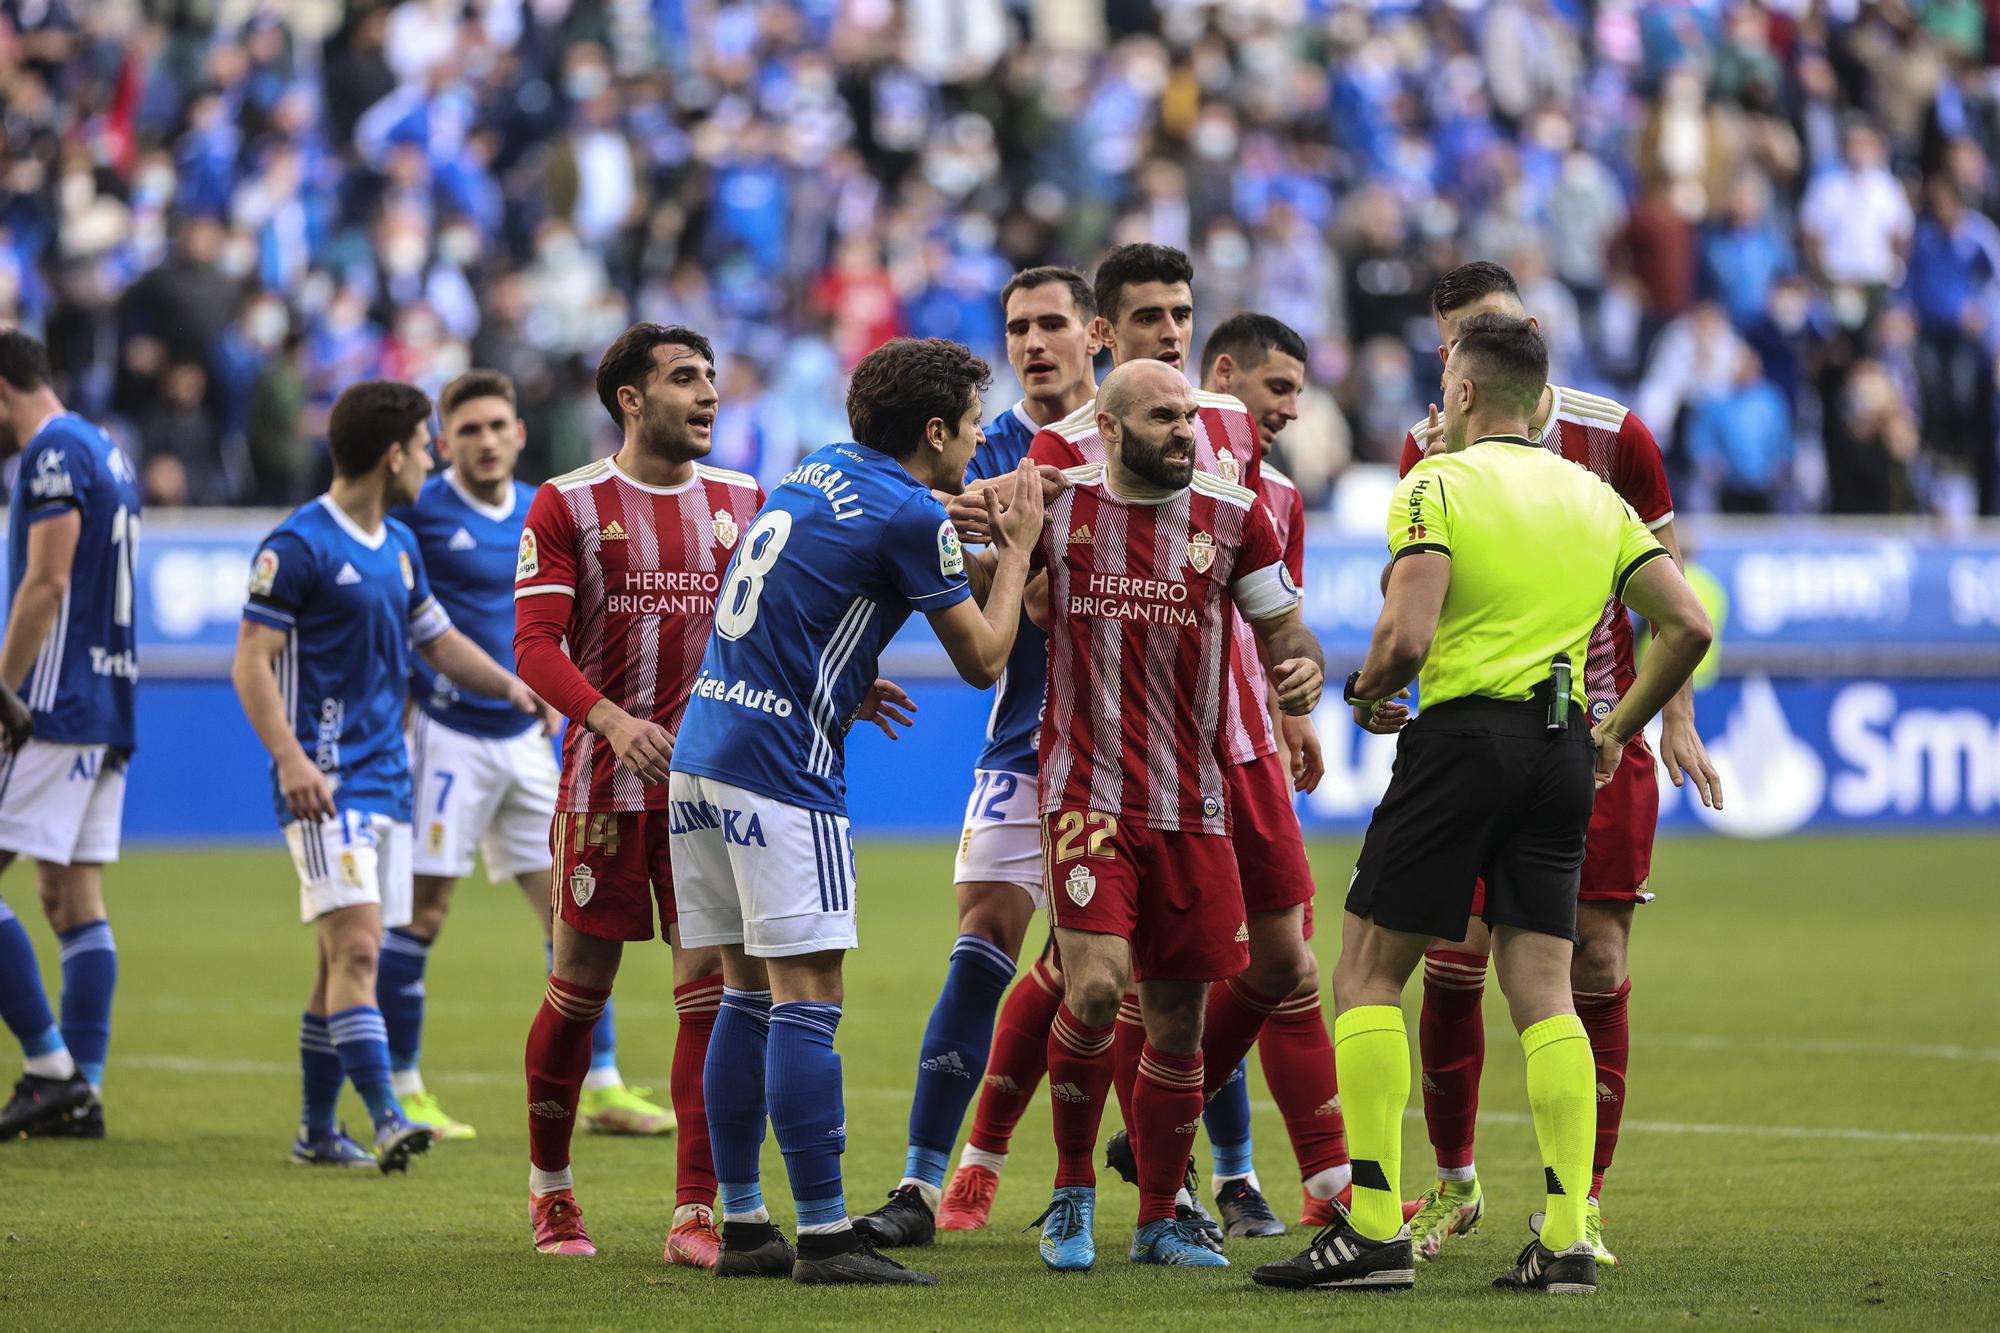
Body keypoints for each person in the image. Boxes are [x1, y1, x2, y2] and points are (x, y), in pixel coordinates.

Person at [1252, 314, 1712, 1296]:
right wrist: (1614, 728)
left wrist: (1369, 694)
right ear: (1541, 402)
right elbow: (1685, 622)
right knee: (1543, 989)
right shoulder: (1593, 497)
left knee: (1368, 971)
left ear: (1460, 393)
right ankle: (1563, 1234)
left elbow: (1407, 635)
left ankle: (1372, 1226)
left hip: (1461, 739)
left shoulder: (1435, 484)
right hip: (1559, 749)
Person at [669, 336, 1043, 1286]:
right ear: (932, 430)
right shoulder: (912, 511)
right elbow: (986, 658)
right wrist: (1025, 545)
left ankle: (747, 1223)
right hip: (781, 768)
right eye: (967, 428)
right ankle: (830, 1235)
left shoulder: (818, 468)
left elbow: (801, 582)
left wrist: (845, 673)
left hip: (703, 752)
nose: (975, 447)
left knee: (742, 991)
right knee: (809, 995)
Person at [1398, 261, 1722, 1266]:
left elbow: (1662, 595)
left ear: (1525, 330)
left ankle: (1576, 1201)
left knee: (1595, 963)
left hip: (1594, 734)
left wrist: (1667, 720)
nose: (1462, 361)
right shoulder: (1425, 443)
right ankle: (1452, 1184)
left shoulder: (1613, 431)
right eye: (1450, 342)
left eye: (1479, 334)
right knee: (1451, 963)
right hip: (1478, 730)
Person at [1023, 246, 1313, 1247]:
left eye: (1190, 415)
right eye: (1163, 417)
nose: (1187, 432)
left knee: (1181, 1024)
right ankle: (1067, 1186)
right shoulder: (1054, 510)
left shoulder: (1234, 521)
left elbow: (1284, 635)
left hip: (1195, 800)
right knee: (1097, 986)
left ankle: (1159, 1213)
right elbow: (986, 609)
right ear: (1107, 429)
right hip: (1085, 791)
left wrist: (1303, 678)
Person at [232, 379, 541, 1173]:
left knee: (338, 960)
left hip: (388, 782)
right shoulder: (298, 545)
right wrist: (292, 759)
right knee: (363, 948)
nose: (436, 457)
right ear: (395, 453)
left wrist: (508, 682)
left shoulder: (399, 548)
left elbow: (436, 640)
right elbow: (251, 664)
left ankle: (313, 1130)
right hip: (323, 782)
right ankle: (388, 1114)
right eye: (429, 443)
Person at [856, 267, 1100, 1245]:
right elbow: (955, 573)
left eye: (1051, 325)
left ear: (1094, 334)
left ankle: (1192, 1182)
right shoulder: (973, 455)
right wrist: (1003, 554)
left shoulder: (1134, 437)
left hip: (1142, 744)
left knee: (1146, 976)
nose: (1033, 343)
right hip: (1027, 732)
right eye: (1017, 328)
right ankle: (918, 1185)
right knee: (982, 943)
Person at [510, 324, 762, 1265]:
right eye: (685, 378)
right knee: (579, 993)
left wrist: (843, 684)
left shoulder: (744, 499)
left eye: (711, 376)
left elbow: (769, 631)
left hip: (713, 796)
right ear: (629, 397)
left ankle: (694, 1212)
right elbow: (535, 644)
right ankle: (552, 1191)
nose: (708, 393)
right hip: (605, 792)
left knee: (710, 998)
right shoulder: (567, 503)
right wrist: (612, 721)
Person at [385, 369, 673, 1140]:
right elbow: (411, 620)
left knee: (570, 906)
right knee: (423, 910)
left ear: (519, 431)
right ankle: (403, 1085)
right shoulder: (421, 514)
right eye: (468, 430)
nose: (486, 441)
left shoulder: (543, 509)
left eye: (497, 426)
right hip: (448, 733)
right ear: (444, 443)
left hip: (530, 739)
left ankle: (604, 1085)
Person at [1178, 312, 1351, 1233]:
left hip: (1249, 750)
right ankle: (1100, 1177)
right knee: (1129, 981)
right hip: (1148, 755)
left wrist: (1293, 710)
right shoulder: (1139, 470)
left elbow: (1275, 625)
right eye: (1277, 388)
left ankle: (1321, 1186)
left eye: (1298, 391)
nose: (1289, 408)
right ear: (1225, 372)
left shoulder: (1279, 497)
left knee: (1288, 966)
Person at [0, 330, 137, 1139]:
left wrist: (3, 688)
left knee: (68, 893)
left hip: (50, 703)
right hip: (109, 699)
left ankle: (51, 1067)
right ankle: (80, 1087)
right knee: (70, 895)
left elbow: (47, 580)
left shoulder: (51, 454)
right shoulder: (105, 448)